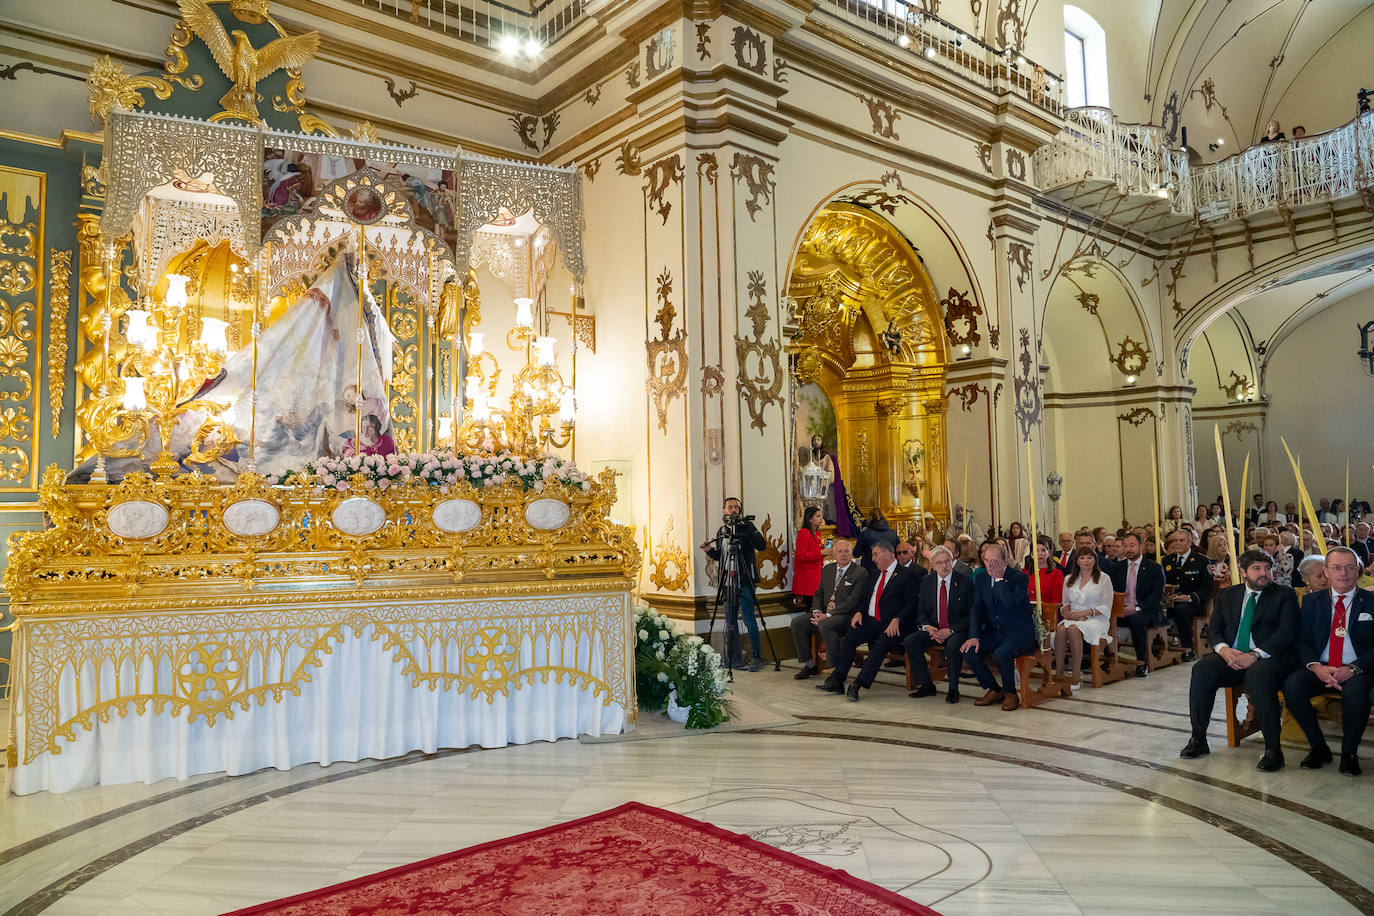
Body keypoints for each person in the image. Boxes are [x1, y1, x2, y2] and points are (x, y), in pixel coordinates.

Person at [1180, 549, 1299, 771]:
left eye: (1267, 568)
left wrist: (1254, 655)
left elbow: (1287, 633)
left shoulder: (1284, 594)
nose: (1263, 573)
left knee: (1258, 675)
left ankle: (1273, 749)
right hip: (1233, 655)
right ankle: (1198, 739)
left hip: (1269, 657)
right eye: (1256, 569)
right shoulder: (1228, 595)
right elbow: (1214, 630)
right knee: (1201, 670)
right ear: (1243, 572)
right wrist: (1224, 650)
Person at [1283, 548, 1372, 776]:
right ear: (1326, 571)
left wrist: (1353, 668)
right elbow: (1302, 640)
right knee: (1292, 687)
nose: (1344, 573)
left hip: (1358, 668)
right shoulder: (1312, 601)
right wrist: (1316, 667)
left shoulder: (1370, 601)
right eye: (1337, 568)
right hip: (1320, 666)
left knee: (1356, 695)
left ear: (1357, 570)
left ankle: (1349, 753)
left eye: (1350, 568)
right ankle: (1318, 747)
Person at [815, 542, 921, 701]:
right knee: (851, 637)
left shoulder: (906, 574)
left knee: (880, 647)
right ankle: (838, 679)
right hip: (872, 621)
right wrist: (858, 612)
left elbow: (913, 602)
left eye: (876, 554)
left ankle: (858, 683)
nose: (873, 558)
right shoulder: (875, 573)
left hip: (895, 625)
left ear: (889, 554)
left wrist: (898, 619)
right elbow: (864, 598)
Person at [961, 542, 1038, 710]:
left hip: (1019, 633)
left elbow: (1011, 603)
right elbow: (976, 609)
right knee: (970, 651)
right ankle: (995, 689)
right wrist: (973, 636)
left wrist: (998, 579)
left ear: (1005, 561)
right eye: (987, 560)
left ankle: (1011, 693)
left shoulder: (1019, 578)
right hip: (996, 632)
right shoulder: (981, 578)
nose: (990, 565)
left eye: (994, 561)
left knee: (1002, 652)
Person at [700, 497, 768, 671]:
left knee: (748, 618)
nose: (733, 510)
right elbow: (721, 556)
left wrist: (750, 529)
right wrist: (710, 551)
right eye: (730, 507)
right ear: (724, 510)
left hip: (745, 580)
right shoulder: (722, 531)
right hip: (728, 583)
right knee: (730, 620)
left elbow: (761, 546)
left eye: (736, 507)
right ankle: (733, 658)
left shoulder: (747, 527)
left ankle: (756, 657)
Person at [904, 546, 973, 703]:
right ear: (932, 565)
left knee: (953, 645)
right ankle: (926, 684)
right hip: (934, 629)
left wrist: (951, 630)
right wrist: (928, 627)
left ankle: (953, 688)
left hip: (957, 630)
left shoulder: (964, 582)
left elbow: (971, 615)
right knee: (910, 641)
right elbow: (921, 611)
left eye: (947, 561)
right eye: (939, 563)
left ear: (952, 561)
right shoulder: (927, 582)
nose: (944, 566)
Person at [792, 539, 868, 680]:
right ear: (833, 555)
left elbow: (853, 601)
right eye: (840, 551)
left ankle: (836, 671)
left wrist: (827, 615)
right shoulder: (827, 569)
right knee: (798, 622)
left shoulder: (860, 573)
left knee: (826, 624)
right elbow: (818, 594)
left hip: (845, 616)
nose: (843, 554)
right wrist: (815, 611)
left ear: (851, 554)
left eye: (847, 551)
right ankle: (810, 665)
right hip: (824, 614)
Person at [1107, 532, 1164, 677]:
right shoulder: (1116, 567)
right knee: (1102, 619)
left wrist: (1137, 607)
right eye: (1125, 546)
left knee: (1136, 619)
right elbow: (1111, 591)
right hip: (1121, 610)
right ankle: (1108, 658)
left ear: (1141, 547)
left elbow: (1156, 596)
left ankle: (1141, 661)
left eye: (1132, 546)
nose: (1128, 549)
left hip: (1146, 610)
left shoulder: (1154, 568)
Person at [1056, 547, 1114, 689]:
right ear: (1077, 561)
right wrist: (1066, 612)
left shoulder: (1103, 578)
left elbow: (1105, 607)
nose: (1086, 561)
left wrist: (1082, 614)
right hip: (1074, 618)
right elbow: (1066, 603)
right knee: (1061, 630)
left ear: (1095, 559)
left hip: (1096, 619)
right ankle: (1059, 673)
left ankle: (1076, 675)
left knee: (1074, 630)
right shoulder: (1069, 579)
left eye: (1090, 557)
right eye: (1082, 558)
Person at [1162, 528, 1215, 661]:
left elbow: (1207, 588)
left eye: (1181, 540)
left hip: (1194, 603)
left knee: (1181, 610)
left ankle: (1188, 649)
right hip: (1170, 601)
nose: (1177, 543)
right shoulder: (1167, 561)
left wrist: (1189, 597)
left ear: (1190, 542)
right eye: (1174, 540)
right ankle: (1159, 649)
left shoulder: (1202, 561)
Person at [791, 507, 825, 611]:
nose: (821, 518)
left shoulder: (817, 534)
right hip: (807, 578)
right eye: (818, 516)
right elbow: (801, 556)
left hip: (816, 575)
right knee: (812, 608)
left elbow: (818, 552)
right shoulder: (804, 533)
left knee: (817, 607)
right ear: (810, 519)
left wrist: (826, 551)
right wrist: (820, 553)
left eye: (821, 516)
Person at [855, 509, 899, 575]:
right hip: (889, 570)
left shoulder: (866, 534)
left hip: (869, 571)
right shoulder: (893, 533)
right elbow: (898, 552)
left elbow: (856, 553)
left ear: (869, 519)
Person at [1027, 539, 1064, 606]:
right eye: (1036, 550)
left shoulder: (1056, 574)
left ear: (1049, 553)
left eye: (1043, 550)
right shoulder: (1025, 573)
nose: (1040, 553)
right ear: (1031, 554)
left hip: (1048, 612)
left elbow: (1057, 600)